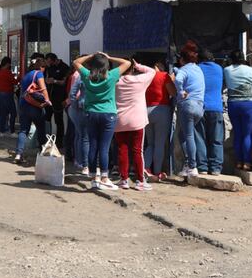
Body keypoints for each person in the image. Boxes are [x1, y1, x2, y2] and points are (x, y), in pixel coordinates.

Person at [73, 52, 131, 190]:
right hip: (108, 114)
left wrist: (91, 56)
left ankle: (94, 178)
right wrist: (109, 57)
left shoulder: (87, 75)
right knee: (104, 147)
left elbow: (76, 62)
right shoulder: (111, 75)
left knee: (93, 146)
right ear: (106, 65)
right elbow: (127, 63)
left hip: (91, 113)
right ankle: (104, 177)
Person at [114, 59, 157, 190]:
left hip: (119, 120)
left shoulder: (115, 82)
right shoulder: (140, 80)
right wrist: (139, 65)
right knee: (138, 151)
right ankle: (140, 181)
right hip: (137, 121)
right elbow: (152, 71)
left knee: (122, 150)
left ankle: (123, 180)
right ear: (132, 68)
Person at [223, 50, 252, 172]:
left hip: (233, 103)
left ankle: (239, 162)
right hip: (249, 104)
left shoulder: (227, 70)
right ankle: (247, 163)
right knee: (248, 134)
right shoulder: (251, 70)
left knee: (238, 133)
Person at [172, 42, 205, 178]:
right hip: (199, 106)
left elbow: (178, 80)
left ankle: (192, 166)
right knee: (184, 135)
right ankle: (188, 164)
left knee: (188, 136)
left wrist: (180, 92)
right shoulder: (198, 69)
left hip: (187, 105)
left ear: (182, 59)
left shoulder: (184, 70)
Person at [143, 60, 176, 181]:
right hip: (161, 110)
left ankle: (146, 168)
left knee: (150, 143)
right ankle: (156, 172)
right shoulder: (164, 76)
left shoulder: (145, 77)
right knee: (159, 144)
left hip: (146, 110)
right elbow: (173, 92)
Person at [194, 50, 225, 175]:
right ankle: (216, 168)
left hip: (200, 107)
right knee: (216, 139)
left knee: (200, 138)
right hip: (216, 108)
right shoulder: (219, 69)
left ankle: (202, 167)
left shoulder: (196, 69)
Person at [14, 56, 50, 164]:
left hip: (23, 104)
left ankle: (18, 154)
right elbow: (43, 88)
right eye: (44, 68)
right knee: (41, 128)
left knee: (23, 130)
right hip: (34, 106)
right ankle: (42, 152)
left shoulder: (27, 75)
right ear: (41, 67)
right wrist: (47, 100)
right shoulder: (38, 73)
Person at [66, 67, 90, 175]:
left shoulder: (82, 75)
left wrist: (76, 105)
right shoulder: (106, 76)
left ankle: (80, 161)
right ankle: (85, 163)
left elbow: (72, 93)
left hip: (80, 109)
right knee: (85, 138)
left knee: (80, 136)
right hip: (90, 110)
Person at [44, 53, 70, 148]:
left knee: (58, 120)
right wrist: (47, 80)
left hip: (59, 97)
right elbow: (45, 78)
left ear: (54, 60)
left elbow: (64, 82)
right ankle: (46, 139)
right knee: (47, 118)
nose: (48, 63)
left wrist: (54, 81)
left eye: (49, 61)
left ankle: (59, 142)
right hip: (49, 96)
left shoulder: (64, 67)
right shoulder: (49, 67)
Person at [0, 56, 17, 135]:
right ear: (8, 64)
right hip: (8, 94)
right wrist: (19, 78)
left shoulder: (0, 71)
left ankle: (2, 131)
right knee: (13, 113)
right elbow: (14, 82)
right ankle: (12, 131)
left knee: (3, 113)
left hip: (1, 94)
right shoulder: (7, 72)